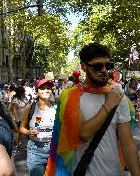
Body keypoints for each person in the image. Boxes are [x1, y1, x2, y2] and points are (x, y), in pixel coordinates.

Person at [45, 42, 140, 176]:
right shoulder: (72, 97)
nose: (104, 70)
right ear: (84, 66)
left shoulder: (118, 96)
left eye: (108, 65)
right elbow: (84, 133)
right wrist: (108, 105)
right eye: (97, 66)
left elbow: (128, 143)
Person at [20, 79, 55, 176]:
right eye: (42, 89)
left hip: (53, 150)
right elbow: (21, 128)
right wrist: (28, 132)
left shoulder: (56, 107)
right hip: (35, 151)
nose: (46, 91)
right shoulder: (30, 108)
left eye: (48, 88)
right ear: (36, 91)